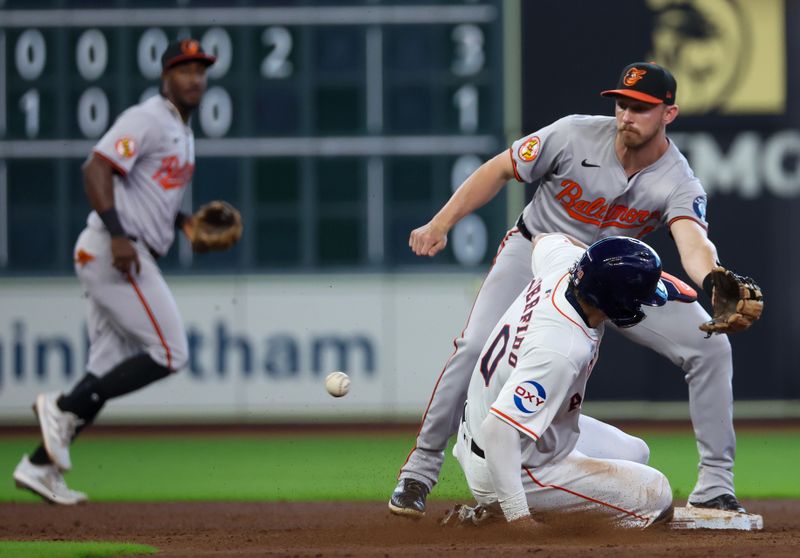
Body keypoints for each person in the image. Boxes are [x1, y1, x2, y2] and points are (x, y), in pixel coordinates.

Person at [390, 62, 762, 517]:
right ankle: (419, 470)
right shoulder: (572, 134)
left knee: (711, 346)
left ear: (670, 113)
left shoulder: (678, 180)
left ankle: (714, 485)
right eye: (623, 104)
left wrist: (712, 277)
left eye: (642, 108)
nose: (627, 115)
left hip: (611, 276)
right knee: (471, 348)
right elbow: (499, 168)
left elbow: (692, 240)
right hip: (537, 250)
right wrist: (441, 222)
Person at [12, 39, 216, 505]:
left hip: (122, 248)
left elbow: (149, 195)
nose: (194, 78)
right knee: (170, 352)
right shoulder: (147, 117)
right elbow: (96, 169)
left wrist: (184, 224)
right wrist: (120, 235)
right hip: (114, 250)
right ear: (166, 76)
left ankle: (39, 465)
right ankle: (61, 409)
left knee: (102, 371)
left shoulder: (182, 132)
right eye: (184, 69)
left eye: (200, 70)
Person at [453, 233, 674, 527]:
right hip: (506, 461)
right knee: (656, 496)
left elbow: (544, 237)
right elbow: (498, 430)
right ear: (615, 300)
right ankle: (501, 514)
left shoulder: (565, 264)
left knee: (636, 453)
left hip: (502, 430)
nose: (640, 305)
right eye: (637, 298)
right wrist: (519, 518)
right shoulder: (561, 348)